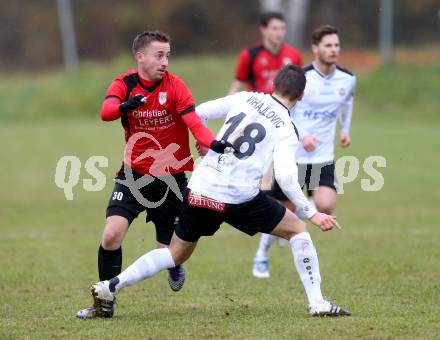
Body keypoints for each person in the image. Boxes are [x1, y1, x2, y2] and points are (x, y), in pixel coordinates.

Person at [86, 65, 351, 318]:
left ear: (273, 84)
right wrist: (311, 212)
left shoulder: (245, 98)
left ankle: (111, 286)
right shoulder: (286, 127)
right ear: (301, 96)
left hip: (201, 189)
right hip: (239, 198)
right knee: (297, 230)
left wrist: (207, 143)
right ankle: (317, 303)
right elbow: (285, 176)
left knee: (175, 253)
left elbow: (198, 113)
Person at [76, 30, 232, 319]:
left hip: (171, 179)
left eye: (168, 56)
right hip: (134, 176)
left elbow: (193, 123)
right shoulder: (124, 83)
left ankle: (174, 263)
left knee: (168, 250)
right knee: (111, 235)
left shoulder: (176, 86)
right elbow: (106, 111)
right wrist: (124, 106)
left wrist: (214, 143)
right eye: (159, 55)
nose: (165, 62)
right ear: (140, 57)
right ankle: (105, 301)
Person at [252, 25, 357, 279]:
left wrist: (345, 129)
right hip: (294, 158)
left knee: (326, 205)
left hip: (322, 158)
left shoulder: (348, 79)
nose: (333, 50)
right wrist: (303, 135)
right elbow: (282, 109)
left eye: (336, 45)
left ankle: (298, 216)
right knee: (283, 213)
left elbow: (347, 102)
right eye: (328, 45)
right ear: (315, 48)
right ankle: (261, 254)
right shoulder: (302, 78)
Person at [228, 12, 303, 95]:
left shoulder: (294, 54)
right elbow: (237, 86)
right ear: (263, 30)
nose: (279, 33)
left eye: (282, 29)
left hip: (284, 106)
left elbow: (301, 85)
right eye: (275, 29)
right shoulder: (250, 54)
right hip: (257, 106)